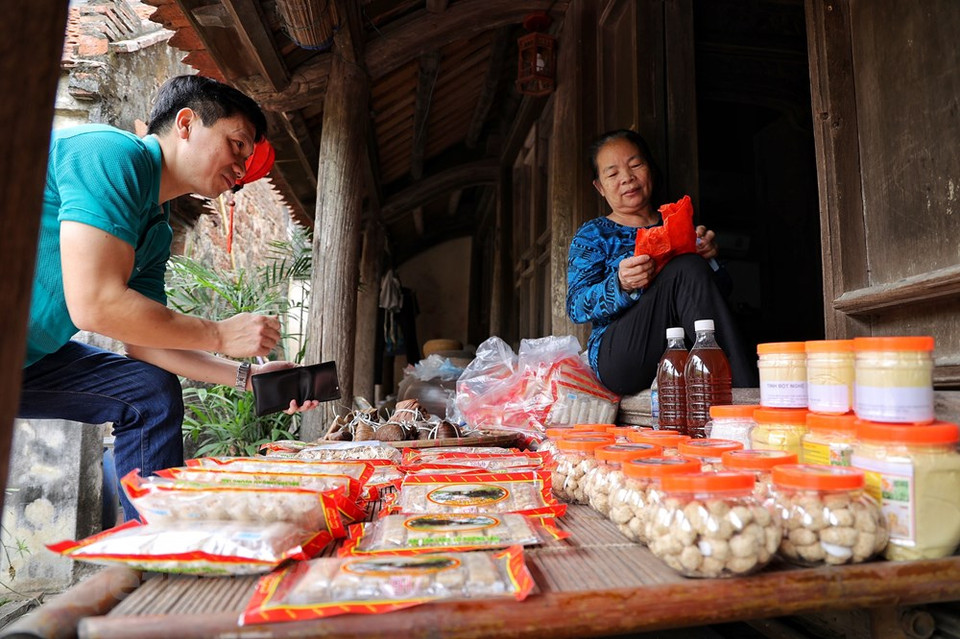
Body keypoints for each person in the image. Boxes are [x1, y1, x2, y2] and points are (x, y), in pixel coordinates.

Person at [18, 75, 319, 522]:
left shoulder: (155, 225)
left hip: (28, 359)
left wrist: (247, 378)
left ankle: (153, 545)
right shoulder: (110, 153)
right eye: (236, 144)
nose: (241, 169)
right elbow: (96, 304)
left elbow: (144, 344)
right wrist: (219, 333)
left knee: (148, 391)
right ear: (185, 123)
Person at [566, 129, 757, 396]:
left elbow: (718, 294)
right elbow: (575, 306)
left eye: (635, 165)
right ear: (600, 187)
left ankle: (739, 395)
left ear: (650, 170)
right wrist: (619, 285)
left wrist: (710, 260)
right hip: (622, 357)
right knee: (686, 267)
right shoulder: (593, 234)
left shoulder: (676, 222)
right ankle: (744, 392)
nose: (627, 178)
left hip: (684, 348)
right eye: (613, 174)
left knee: (690, 267)